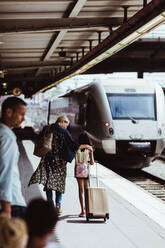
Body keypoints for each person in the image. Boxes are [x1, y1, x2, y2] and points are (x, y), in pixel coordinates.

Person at [28, 115, 92, 214]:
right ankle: (58, 206)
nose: (66, 126)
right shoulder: (63, 132)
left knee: (48, 183)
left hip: (47, 161)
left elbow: (38, 138)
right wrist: (86, 146)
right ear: (62, 122)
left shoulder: (48, 128)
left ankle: (49, 205)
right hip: (59, 163)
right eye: (66, 123)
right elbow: (73, 145)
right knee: (59, 184)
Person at [0, 97, 27, 217]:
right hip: (12, 203)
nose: (23, 119)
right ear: (9, 112)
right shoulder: (7, 137)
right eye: (21, 114)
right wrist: (7, 210)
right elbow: (6, 172)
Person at [75, 133, 94, 217]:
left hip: (77, 171)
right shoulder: (89, 150)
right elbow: (92, 162)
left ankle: (82, 210)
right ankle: (88, 208)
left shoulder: (77, 149)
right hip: (85, 171)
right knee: (87, 190)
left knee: (80, 190)